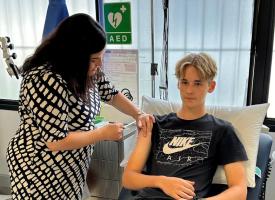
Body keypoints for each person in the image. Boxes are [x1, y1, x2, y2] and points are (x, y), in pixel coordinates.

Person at [6, 13, 154, 200]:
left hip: (70, 166)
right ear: (73, 55)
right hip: (38, 168)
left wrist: (138, 114)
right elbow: (56, 141)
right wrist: (102, 134)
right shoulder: (44, 79)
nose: (99, 64)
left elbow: (111, 94)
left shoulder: (87, 70)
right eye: (94, 59)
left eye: (101, 56)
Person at [122, 53, 248, 200]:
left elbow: (239, 190)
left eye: (198, 83)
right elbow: (128, 178)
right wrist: (162, 181)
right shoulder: (154, 124)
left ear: (211, 86)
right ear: (178, 84)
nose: (189, 90)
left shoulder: (222, 130)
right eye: (185, 82)